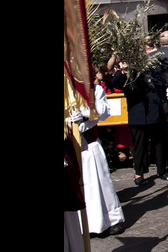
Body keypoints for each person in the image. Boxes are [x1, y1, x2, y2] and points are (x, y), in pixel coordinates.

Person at [110, 46, 168, 185]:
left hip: (155, 112)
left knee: (159, 143)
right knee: (140, 145)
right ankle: (139, 172)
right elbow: (115, 83)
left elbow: (161, 85)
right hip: (138, 114)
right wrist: (125, 70)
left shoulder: (154, 69)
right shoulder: (128, 73)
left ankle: (162, 170)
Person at [70, 81, 126, 237]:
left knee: (100, 184)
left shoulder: (94, 89)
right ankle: (83, 225)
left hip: (90, 146)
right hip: (71, 148)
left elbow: (104, 111)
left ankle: (112, 220)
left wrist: (85, 112)